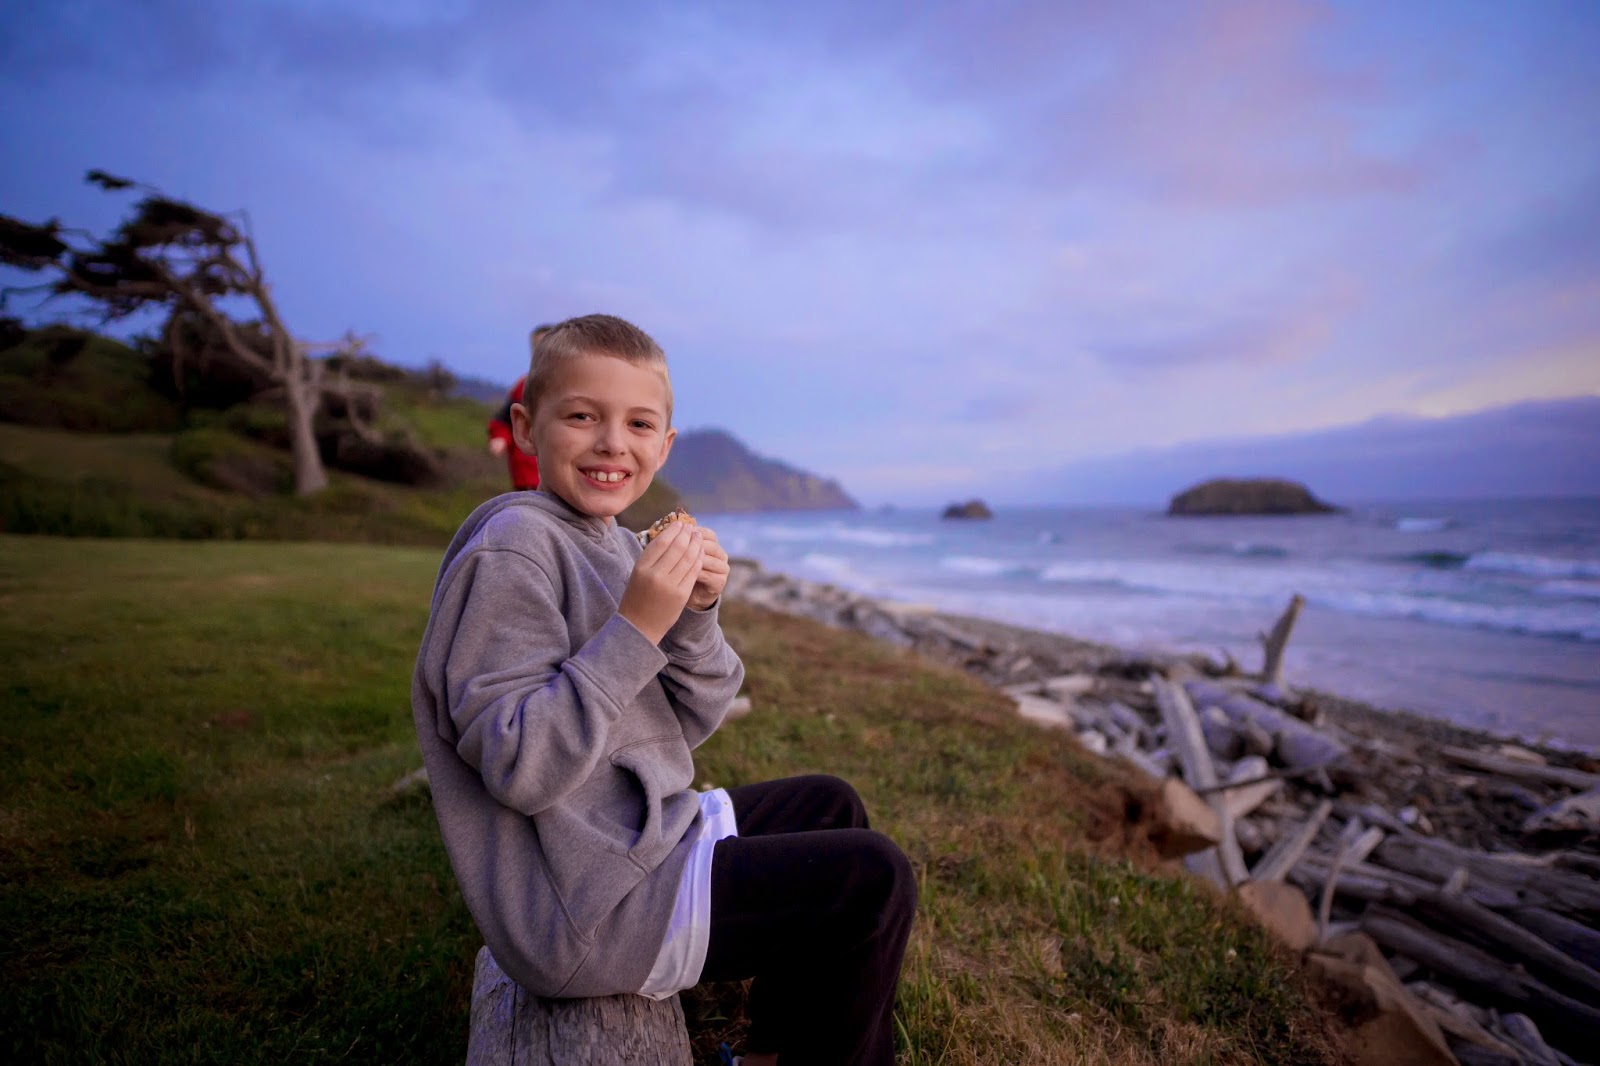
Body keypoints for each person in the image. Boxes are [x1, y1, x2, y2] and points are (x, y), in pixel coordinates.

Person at [413, 314, 916, 1065]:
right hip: (583, 909)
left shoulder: (620, 544)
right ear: (525, 428)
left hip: (637, 840)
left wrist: (696, 614)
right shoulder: (512, 551)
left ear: (665, 445)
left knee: (830, 803)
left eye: (639, 423)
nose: (613, 442)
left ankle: (774, 1054)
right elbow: (519, 768)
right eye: (582, 416)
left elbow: (692, 718)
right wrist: (636, 629)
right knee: (872, 881)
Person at [485, 324, 557, 490]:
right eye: (537, 348)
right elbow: (504, 420)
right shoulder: (523, 386)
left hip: (559, 476)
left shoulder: (573, 386)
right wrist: (500, 438)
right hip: (526, 475)